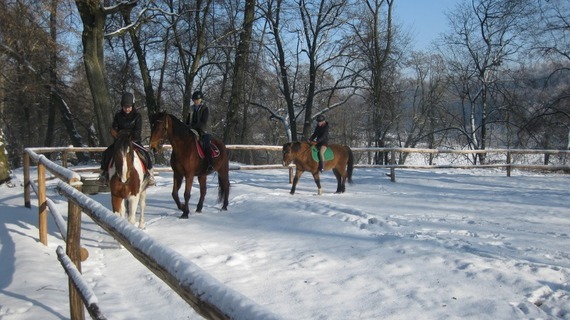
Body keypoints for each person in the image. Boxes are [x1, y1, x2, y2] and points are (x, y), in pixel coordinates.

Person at [99, 92, 155, 185]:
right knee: (106, 153)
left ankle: (150, 174)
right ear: (122, 106)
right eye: (125, 107)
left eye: (129, 106)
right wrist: (115, 134)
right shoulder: (118, 116)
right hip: (120, 141)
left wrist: (131, 137)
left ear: (132, 106)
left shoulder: (137, 116)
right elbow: (115, 127)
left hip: (133, 141)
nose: (127, 109)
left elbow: (137, 130)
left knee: (145, 153)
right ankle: (104, 174)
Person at [185, 90, 213, 170]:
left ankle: (209, 162)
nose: (195, 101)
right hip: (192, 130)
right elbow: (187, 120)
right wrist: (186, 126)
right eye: (194, 100)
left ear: (201, 100)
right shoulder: (191, 109)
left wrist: (192, 126)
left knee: (206, 143)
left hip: (203, 130)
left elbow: (203, 121)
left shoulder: (205, 109)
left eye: (197, 100)